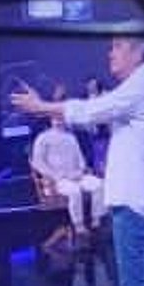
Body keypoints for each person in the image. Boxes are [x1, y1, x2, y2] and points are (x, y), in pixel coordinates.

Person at [12, 33, 144, 286]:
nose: (110, 53)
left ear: (138, 53)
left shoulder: (142, 87)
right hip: (130, 199)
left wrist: (42, 106)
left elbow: (91, 111)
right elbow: (91, 112)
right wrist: (46, 108)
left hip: (133, 201)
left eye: (118, 46)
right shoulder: (138, 87)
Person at [29, 87, 103, 244]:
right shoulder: (43, 138)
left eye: (61, 117)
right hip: (58, 180)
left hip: (76, 175)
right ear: (50, 119)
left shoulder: (71, 137)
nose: (59, 120)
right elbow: (37, 161)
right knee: (74, 191)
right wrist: (55, 176)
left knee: (98, 185)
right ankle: (79, 226)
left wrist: (81, 171)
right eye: (55, 117)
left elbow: (80, 159)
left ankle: (97, 221)